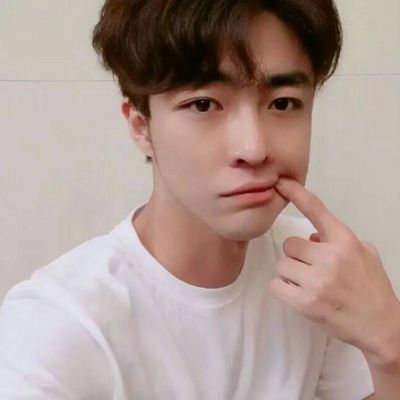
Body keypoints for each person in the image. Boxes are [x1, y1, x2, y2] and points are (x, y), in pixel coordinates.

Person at [3, 0, 395, 398]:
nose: (254, 148)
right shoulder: (56, 327)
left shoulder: (318, 268)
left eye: (282, 103)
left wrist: (389, 347)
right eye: (203, 104)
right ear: (141, 127)